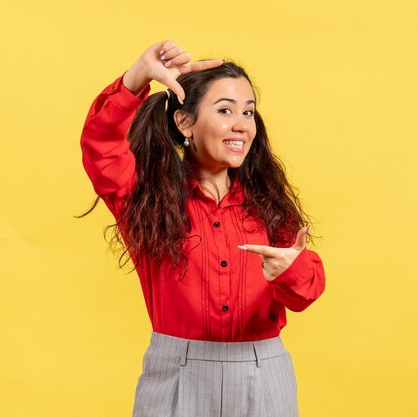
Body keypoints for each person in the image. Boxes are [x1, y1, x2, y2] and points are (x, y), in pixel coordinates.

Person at [78, 39, 326, 417]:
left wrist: (290, 271)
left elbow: (306, 291)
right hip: (177, 372)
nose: (241, 125)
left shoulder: (268, 203)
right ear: (185, 121)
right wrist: (135, 78)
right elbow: (101, 144)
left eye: (248, 112)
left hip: (263, 372)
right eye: (225, 110)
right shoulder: (145, 197)